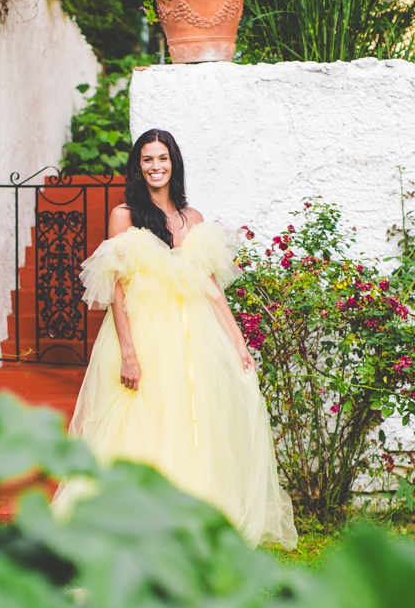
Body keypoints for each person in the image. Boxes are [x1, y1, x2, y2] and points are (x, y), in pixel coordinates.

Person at [55, 128, 297, 548]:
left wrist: (239, 343)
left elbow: (210, 286)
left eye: (162, 158)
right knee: (142, 422)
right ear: (138, 166)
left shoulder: (194, 219)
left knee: (188, 421)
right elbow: (114, 287)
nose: (155, 166)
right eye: (147, 159)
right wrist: (128, 352)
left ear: (174, 163)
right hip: (144, 334)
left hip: (192, 336)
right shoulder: (124, 215)